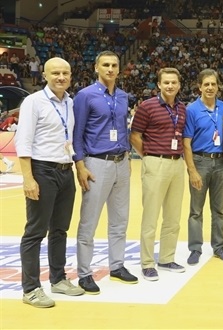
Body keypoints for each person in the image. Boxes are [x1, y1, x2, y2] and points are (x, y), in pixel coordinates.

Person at [15, 57, 85, 308]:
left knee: (60, 229)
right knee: (35, 231)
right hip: (42, 170)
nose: (61, 77)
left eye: (65, 73)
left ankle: (58, 279)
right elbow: (23, 142)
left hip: (65, 171)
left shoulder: (70, 102)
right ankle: (31, 288)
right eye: (55, 73)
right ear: (44, 75)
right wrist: (28, 178)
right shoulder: (34, 102)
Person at [72, 51, 137, 294]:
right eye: (106, 65)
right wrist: (80, 165)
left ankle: (117, 265)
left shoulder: (122, 96)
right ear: (96, 68)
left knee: (120, 219)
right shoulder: (85, 96)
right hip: (96, 163)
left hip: (121, 162)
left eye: (114, 65)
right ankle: (84, 273)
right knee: (89, 221)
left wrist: (128, 154)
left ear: (119, 69)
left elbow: (122, 128)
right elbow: (77, 133)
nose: (110, 69)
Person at [130, 67, 187, 281]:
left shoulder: (182, 108)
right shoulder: (147, 106)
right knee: (151, 215)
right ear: (159, 85)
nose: (170, 86)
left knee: (173, 216)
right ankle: (147, 263)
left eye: (174, 82)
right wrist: (149, 156)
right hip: (156, 162)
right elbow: (135, 136)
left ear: (179, 85)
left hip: (176, 163)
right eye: (166, 83)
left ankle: (166, 257)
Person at [183, 69, 223, 265]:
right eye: (206, 84)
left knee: (219, 209)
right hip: (200, 161)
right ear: (199, 87)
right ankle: (195, 248)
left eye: (213, 84)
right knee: (196, 210)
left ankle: (218, 246)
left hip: (220, 163)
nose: (210, 88)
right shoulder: (192, 110)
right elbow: (186, 143)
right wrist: (192, 170)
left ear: (218, 86)